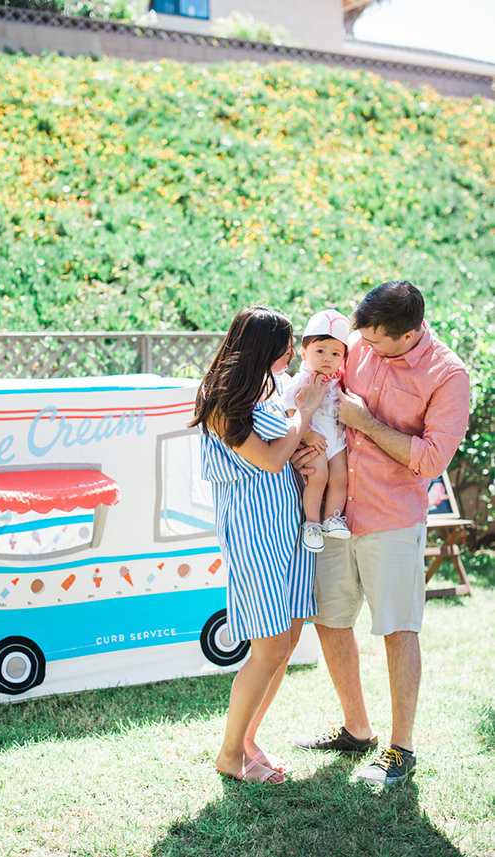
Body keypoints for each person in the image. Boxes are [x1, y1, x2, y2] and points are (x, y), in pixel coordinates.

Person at [292, 281, 470, 786]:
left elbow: (431, 459)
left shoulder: (448, 376)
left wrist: (365, 422)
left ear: (409, 333)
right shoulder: (364, 343)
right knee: (329, 619)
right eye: (360, 339)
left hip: (391, 519)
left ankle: (401, 749)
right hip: (334, 516)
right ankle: (356, 728)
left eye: (374, 342)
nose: (362, 349)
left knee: (397, 628)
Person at [190, 305, 324, 785]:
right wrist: (303, 413)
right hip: (253, 535)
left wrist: (301, 438)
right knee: (268, 647)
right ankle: (230, 753)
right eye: (286, 346)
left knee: (285, 641)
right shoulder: (225, 400)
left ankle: (246, 740)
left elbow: (282, 450)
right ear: (263, 348)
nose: (292, 354)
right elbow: (268, 461)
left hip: (283, 526)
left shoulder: (263, 388)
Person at [283, 309, 351, 553]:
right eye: (319, 351)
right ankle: (311, 523)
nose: (327, 358)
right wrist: (306, 434)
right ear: (304, 353)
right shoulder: (304, 378)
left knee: (341, 477)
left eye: (335, 353)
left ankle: (333, 518)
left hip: (337, 438)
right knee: (318, 476)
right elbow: (288, 405)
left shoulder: (336, 378)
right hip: (314, 438)